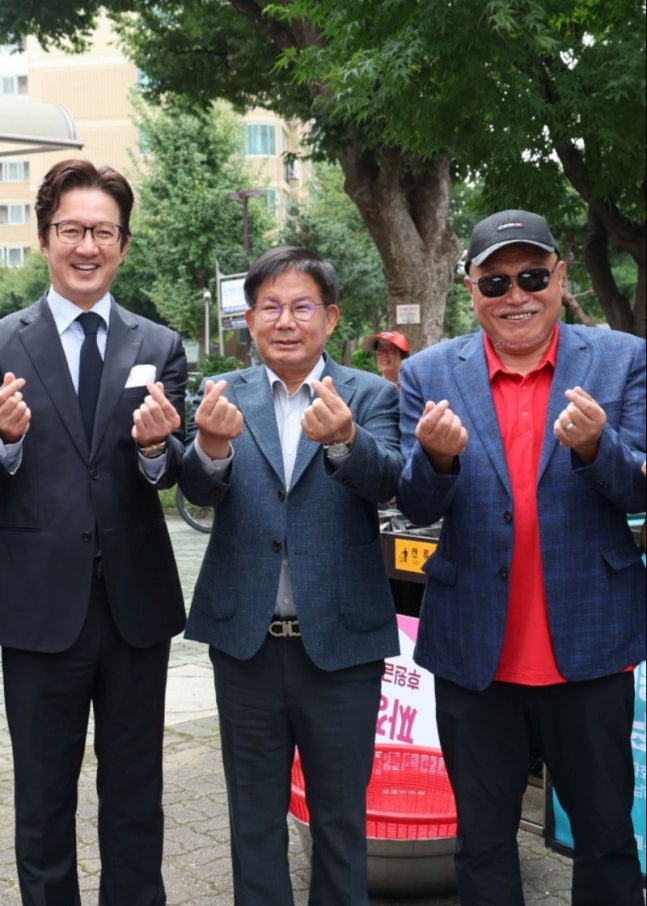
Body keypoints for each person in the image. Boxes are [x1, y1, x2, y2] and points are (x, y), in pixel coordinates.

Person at [396, 209, 646, 906]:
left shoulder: (622, 359)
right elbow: (416, 505)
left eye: (533, 276)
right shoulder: (427, 373)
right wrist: (437, 459)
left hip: (589, 647)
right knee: (481, 843)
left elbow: (636, 488)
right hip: (475, 654)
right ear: (470, 287)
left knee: (603, 839)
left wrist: (599, 446)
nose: (516, 295)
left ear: (559, 278)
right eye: (496, 280)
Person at [179, 246, 402, 906]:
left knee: (338, 821)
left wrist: (344, 442)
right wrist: (211, 448)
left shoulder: (369, 394)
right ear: (249, 320)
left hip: (340, 648)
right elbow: (195, 490)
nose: (285, 320)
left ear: (330, 318)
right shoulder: (225, 393)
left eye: (301, 306)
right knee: (252, 822)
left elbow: (391, 486)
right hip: (245, 647)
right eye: (270, 307)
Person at [0, 159, 188, 905]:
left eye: (101, 232)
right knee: (44, 802)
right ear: (45, 239)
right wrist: (4, 444)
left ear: (122, 244)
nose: (87, 245)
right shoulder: (3, 345)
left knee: (136, 792)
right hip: (37, 610)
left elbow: (169, 470)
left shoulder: (159, 345)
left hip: (134, 610)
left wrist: (153, 450)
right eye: (72, 230)